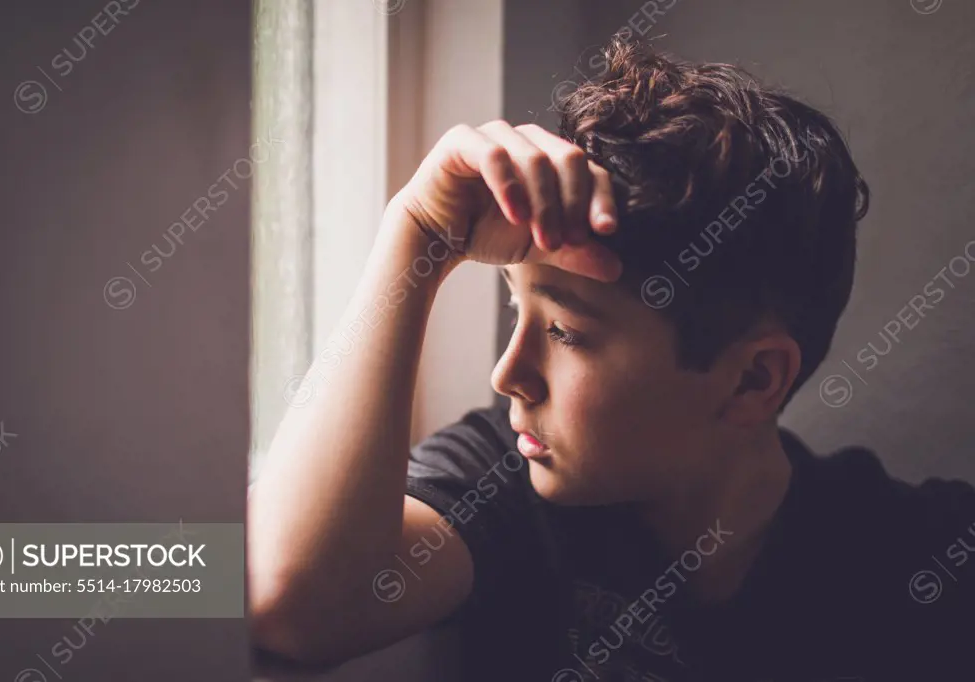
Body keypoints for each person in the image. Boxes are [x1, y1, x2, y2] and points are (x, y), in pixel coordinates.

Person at [247, 38, 975, 682]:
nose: (507, 374)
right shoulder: (500, 486)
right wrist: (415, 232)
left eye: (564, 332)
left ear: (753, 380)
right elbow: (293, 602)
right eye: (515, 306)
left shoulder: (916, 560)